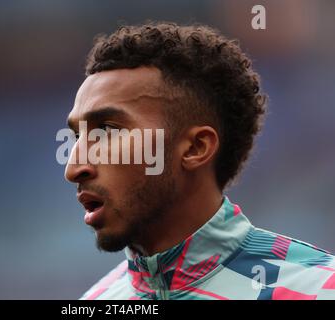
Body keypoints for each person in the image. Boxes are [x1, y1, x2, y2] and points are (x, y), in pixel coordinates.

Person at [64, 22, 335, 300]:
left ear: (195, 148)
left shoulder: (318, 290)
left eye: (107, 131)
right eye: (76, 136)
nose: (74, 169)